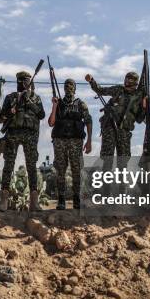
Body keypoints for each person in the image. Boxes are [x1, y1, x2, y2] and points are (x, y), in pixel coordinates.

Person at [0, 71, 46, 211]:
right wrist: (9, 112)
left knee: (31, 166)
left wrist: (29, 103)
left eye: (27, 81)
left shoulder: (36, 98)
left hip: (30, 135)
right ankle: (4, 199)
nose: (24, 84)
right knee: (9, 165)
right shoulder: (10, 97)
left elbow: (41, 115)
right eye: (22, 81)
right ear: (18, 82)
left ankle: (34, 202)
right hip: (13, 133)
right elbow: (1, 117)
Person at [85, 72, 145, 173]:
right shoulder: (118, 90)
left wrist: (144, 107)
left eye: (130, 82)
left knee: (123, 164)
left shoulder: (139, 96)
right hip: (110, 126)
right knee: (107, 161)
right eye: (126, 81)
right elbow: (101, 90)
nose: (127, 84)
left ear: (135, 84)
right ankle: (105, 188)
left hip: (125, 131)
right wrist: (91, 81)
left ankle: (122, 188)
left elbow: (139, 119)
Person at [47, 78, 92, 210]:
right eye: (66, 85)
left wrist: (89, 141)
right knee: (60, 170)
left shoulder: (81, 104)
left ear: (75, 88)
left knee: (76, 170)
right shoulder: (59, 103)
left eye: (71, 85)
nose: (69, 87)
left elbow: (88, 121)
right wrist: (55, 105)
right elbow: (51, 123)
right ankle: (61, 200)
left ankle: (77, 199)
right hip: (59, 141)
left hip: (76, 141)